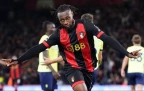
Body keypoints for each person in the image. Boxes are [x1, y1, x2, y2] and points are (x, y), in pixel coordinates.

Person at [3, 4, 140, 91]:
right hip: (72, 68)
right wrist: (19, 60)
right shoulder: (58, 34)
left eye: (67, 18)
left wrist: (126, 53)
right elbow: (39, 48)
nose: (65, 22)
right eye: (62, 20)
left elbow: (107, 39)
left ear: (72, 15)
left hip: (89, 68)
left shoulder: (85, 25)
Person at [38, 21, 60, 91]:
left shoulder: (53, 40)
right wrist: (53, 71)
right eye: (52, 27)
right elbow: (45, 58)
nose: (55, 29)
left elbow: (58, 56)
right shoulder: (44, 39)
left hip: (53, 71)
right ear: (47, 29)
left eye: (55, 27)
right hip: (46, 71)